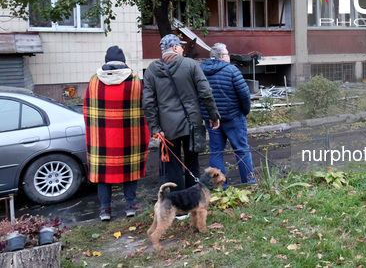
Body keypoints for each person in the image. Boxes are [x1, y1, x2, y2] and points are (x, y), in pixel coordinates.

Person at [143, 34, 220, 193]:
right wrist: (213, 116)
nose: (183, 49)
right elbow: (206, 93)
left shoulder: (151, 70)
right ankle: (193, 202)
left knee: (173, 166)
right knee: (192, 163)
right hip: (192, 123)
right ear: (175, 48)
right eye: (181, 46)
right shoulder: (191, 65)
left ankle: (178, 206)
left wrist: (155, 128)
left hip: (168, 127)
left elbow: (148, 103)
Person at [83, 46, 150, 221]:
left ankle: (105, 210)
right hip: (129, 137)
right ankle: (130, 206)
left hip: (102, 137)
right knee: (130, 171)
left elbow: (87, 108)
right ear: (122, 62)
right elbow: (143, 107)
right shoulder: (134, 80)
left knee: (103, 175)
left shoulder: (94, 81)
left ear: (106, 62)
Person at [200, 43, 255, 187]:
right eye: (228, 54)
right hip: (233, 117)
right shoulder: (231, 70)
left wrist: (205, 113)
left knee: (216, 152)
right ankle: (249, 183)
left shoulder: (200, 70)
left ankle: (220, 187)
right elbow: (244, 94)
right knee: (241, 150)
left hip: (212, 119)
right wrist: (245, 111)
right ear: (222, 57)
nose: (229, 57)